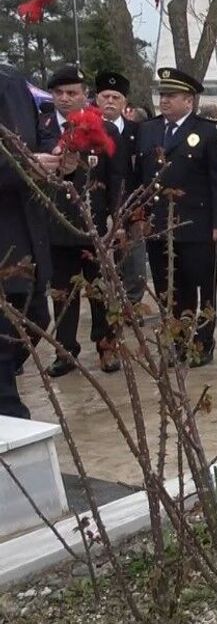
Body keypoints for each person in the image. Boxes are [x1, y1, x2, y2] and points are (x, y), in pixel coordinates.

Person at [136, 68, 217, 367]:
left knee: (201, 285)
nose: (164, 101)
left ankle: (202, 343)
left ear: (189, 101)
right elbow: (140, 178)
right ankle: (178, 342)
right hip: (158, 224)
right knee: (168, 288)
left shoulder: (208, 132)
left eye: (171, 96)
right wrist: (138, 216)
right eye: (162, 95)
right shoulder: (149, 130)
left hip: (197, 224)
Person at [39, 66, 122, 377]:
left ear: (85, 95)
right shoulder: (41, 126)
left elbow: (116, 180)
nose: (64, 98)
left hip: (93, 225)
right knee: (62, 293)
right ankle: (65, 350)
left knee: (100, 290)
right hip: (55, 223)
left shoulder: (105, 129)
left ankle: (106, 345)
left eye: (72, 93)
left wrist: (117, 218)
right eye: (58, 93)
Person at [0, 64, 57, 418]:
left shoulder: (15, 83)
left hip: (27, 233)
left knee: (35, 316)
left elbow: (41, 134)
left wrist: (56, 157)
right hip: (5, 236)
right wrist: (24, 165)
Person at [95, 71, 146, 306]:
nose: (110, 101)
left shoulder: (138, 131)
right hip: (97, 208)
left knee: (134, 263)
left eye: (116, 97)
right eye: (105, 96)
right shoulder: (88, 129)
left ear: (124, 102)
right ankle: (107, 305)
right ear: (97, 99)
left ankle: (131, 307)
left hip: (131, 207)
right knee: (102, 264)